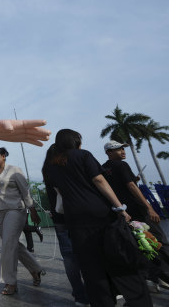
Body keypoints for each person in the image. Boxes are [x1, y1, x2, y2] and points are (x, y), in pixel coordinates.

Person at [43, 129, 152, 307]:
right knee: (120, 260)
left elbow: (59, 192)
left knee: (91, 269)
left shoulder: (51, 165)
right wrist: (120, 207)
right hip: (101, 215)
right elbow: (99, 181)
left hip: (75, 220)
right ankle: (139, 301)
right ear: (76, 141)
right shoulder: (83, 155)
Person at [102, 140, 169, 289]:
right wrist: (150, 208)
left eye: (122, 148)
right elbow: (131, 186)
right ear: (109, 152)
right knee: (159, 240)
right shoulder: (122, 165)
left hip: (124, 215)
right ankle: (165, 274)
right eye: (118, 149)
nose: (122, 151)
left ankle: (153, 276)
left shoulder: (103, 169)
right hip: (139, 211)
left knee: (141, 244)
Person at [0, 147, 44, 295]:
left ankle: (10, 282)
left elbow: (25, 191)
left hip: (15, 210)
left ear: (3, 156)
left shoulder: (15, 170)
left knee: (7, 243)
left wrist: (32, 210)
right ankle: (36, 269)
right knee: (12, 243)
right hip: (0, 212)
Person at [43, 173, 90, 306]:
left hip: (60, 217)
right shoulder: (73, 163)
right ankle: (94, 291)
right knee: (88, 255)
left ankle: (80, 295)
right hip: (80, 217)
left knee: (69, 258)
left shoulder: (49, 168)